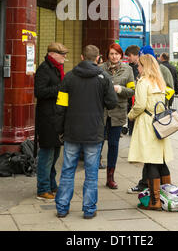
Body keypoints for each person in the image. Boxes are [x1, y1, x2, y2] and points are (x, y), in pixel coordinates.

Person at [54, 45, 117, 219]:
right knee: (91, 172)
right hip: (94, 131)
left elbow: (60, 106)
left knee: (67, 170)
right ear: (98, 58)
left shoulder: (68, 78)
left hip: (72, 131)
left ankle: (62, 208)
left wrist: (60, 130)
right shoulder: (104, 77)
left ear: (82, 56)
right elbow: (112, 102)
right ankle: (89, 209)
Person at [128, 54, 174, 210]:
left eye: (140, 66)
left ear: (145, 66)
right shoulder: (159, 82)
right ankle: (168, 196)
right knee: (161, 160)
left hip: (147, 123)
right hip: (160, 123)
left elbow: (140, 105)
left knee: (150, 160)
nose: (138, 68)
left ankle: (155, 201)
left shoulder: (143, 82)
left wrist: (130, 115)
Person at [34, 42, 68, 200]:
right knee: (46, 155)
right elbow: (39, 92)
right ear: (53, 54)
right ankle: (43, 188)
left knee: (55, 154)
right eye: (62, 54)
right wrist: (59, 89)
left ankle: (52, 184)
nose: (65, 57)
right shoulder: (44, 69)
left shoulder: (57, 68)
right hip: (47, 118)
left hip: (56, 117)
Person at [101, 43, 135, 189]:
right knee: (98, 143)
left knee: (113, 144)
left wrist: (120, 89)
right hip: (102, 112)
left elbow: (132, 91)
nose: (114, 57)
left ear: (121, 55)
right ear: (107, 55)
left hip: (118, 111)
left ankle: (110, 177)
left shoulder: (128, 70)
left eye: (117, 54)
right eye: (111, 54)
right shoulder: (100, 69)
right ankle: (91, 175)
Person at [125, 45, 140, 135]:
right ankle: (131, 130)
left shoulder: (142, 66)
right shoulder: (128, 67)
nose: (128, 58)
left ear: (136, 55)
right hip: (130, 97)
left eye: (129, 56)